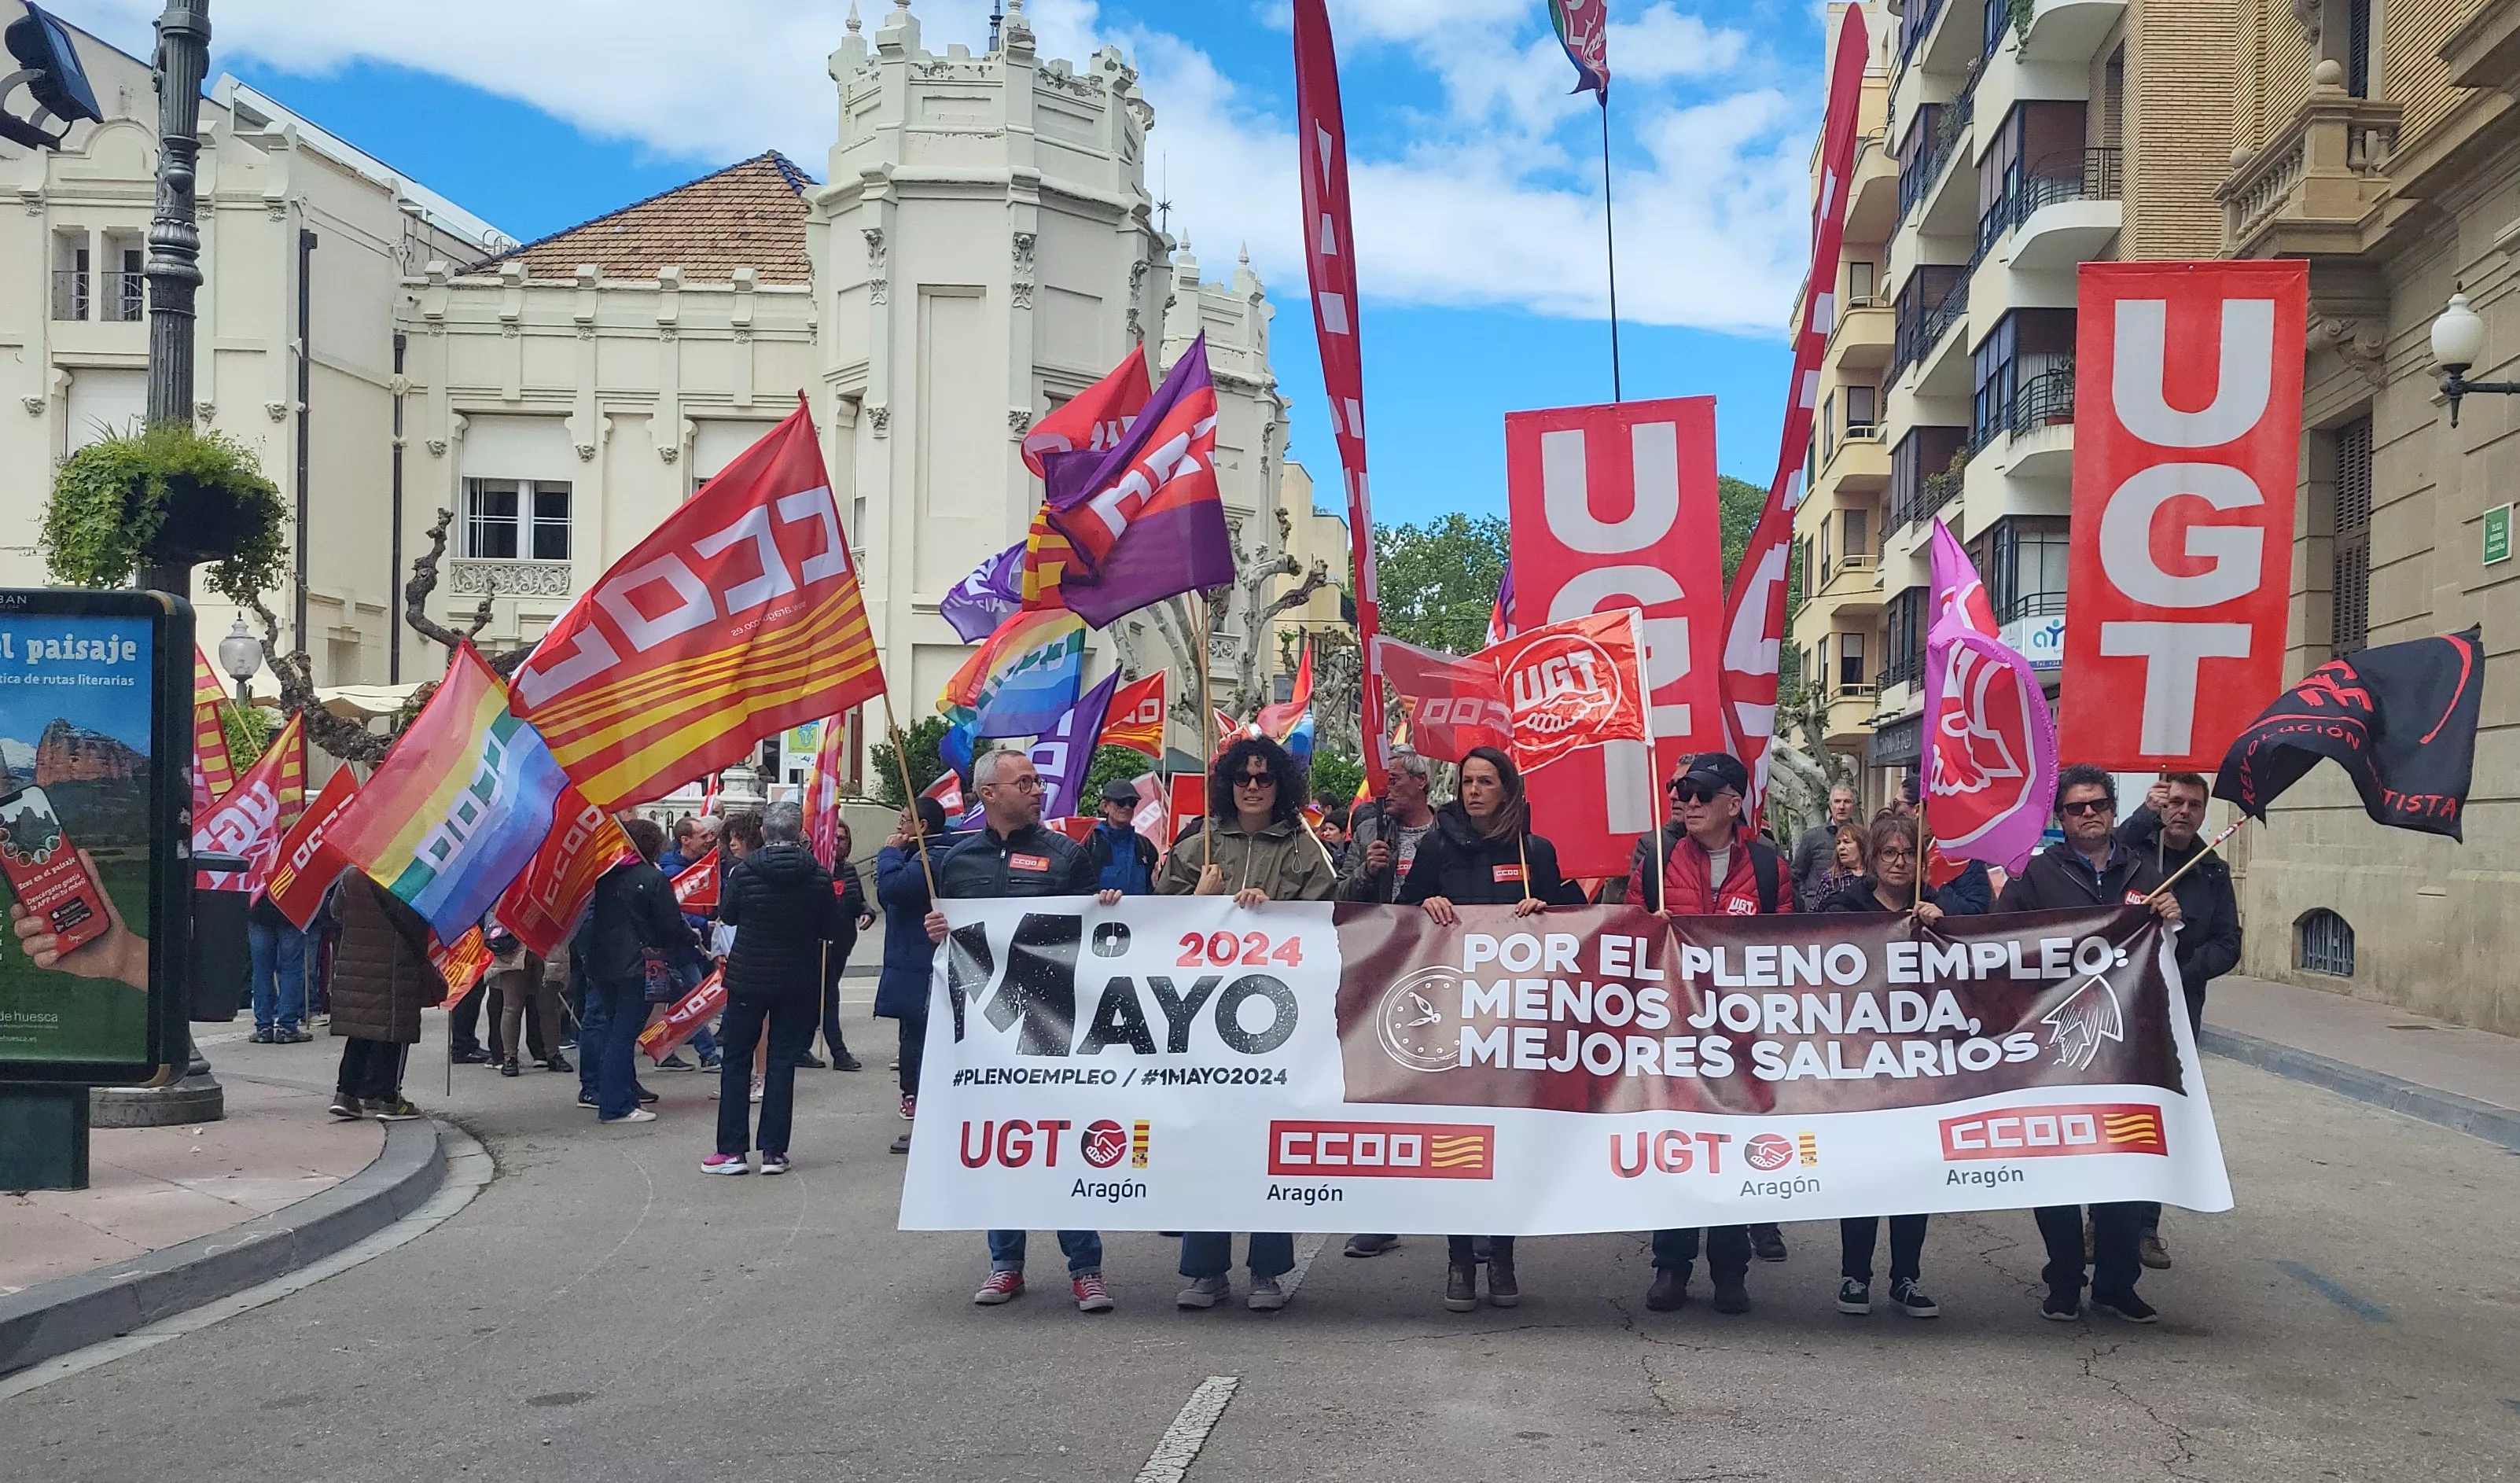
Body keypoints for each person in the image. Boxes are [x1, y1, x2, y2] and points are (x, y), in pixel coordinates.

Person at [924, 747, 1123, 1313]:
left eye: (1038, 781)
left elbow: (1100, 937)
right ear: (988, 794)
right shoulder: (957, 862)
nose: (1038, 790)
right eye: (1025, 782)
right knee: (1002, 1145)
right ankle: (1004, 1263)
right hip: (985, 1030)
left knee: (1061, 1143)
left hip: (1054, 1023)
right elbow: (949, 943)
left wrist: (1107, 908)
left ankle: (1086, 1269)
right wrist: (936, 930)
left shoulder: (1067, 856)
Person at [1157, 737, 1338, 1313]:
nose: (1253, 787)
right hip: (1204, 1019)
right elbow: (1157, 923)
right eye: (1243, 778)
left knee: (1270, 1144)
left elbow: (1326, 919)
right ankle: (1204, 1270)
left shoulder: (1306, 849)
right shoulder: (1197, 844)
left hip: (1277, 1022)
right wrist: (1204, 900)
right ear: (1228, 784)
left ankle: (1267, 1270)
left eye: (1264, 778)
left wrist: (1278, 910)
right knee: (1206, 1141)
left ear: (1281, 786)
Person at [1996, 764, 2183, 1323]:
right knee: (2056, 1167)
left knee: (2122, 1168)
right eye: (2076, 808)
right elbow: (1995, 943)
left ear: (2111, 808)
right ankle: (2062, 1279)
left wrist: (2175, 922)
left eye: (2098, 805)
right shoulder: (2036, 877)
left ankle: (2115, 1283)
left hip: (2126, 1050)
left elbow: (2179, 961)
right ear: (2061, 818)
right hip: (2054, 1047)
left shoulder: (2145, 874)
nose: (2089, 815)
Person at [1397, 745, 1581, 1312]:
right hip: (1454, 1013)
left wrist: (1544, 906)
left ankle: (1500, 1254)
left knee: (1508, 1143)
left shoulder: (1535, 850)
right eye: (1466, 781)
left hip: (1517, 1016)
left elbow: (1577, 914)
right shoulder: (1437, 843)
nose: (1473, 791)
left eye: (1485, 782)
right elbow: (1400, 913)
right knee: (1460, 1143)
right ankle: (1459, 1259)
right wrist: (1424, 901)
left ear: (1507, 789)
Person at [1628, 751, 1792, 1314]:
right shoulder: (1656, 862)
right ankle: (1670, 1266)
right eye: (1681, 792)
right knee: (1676, 1148)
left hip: (1741, 1035)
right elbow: (1625, 937)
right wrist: (1650, 930)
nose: (1687, 802)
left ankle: (1729, 1270)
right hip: (1672, 1031)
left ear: (1733, 802)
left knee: (1731, 1150)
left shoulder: (1770, 867)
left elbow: (1791, 946)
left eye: (1701, 794)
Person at [1817, 814, 1977, 1320]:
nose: (1899, 862)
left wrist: (1940, 921)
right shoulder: (1849, 905)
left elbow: (1979, 958)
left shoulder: (1935, 907)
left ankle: (1906, 1277)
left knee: (1913, 1170)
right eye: (1888, 853)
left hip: (1920, 1058)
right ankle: (1854, 1274)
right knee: (1863, 1169)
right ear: (1870, 858)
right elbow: (1812, 946)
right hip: (1860, 1058)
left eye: (1908, 853)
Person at [2113, 771, 2239, 1270]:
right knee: (2116, 1113)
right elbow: (2104, 855)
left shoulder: (2213, 872)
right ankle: (2100, 1223)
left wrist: (2179, 971)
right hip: (2120, 1007)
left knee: (2158, 1118)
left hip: (2179, 1012)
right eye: (2175, 802)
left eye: (2194, 804)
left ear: (2204, 812)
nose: (2183, 811)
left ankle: (2146, 1227)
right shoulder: (2132, 856)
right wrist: (2144, 812)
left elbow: (2229, 943)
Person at [704, 803, 850, 1175]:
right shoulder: (817, 876)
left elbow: (730, 915)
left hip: (749, 977)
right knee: (782, 1062)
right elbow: (832, 928)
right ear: (799, 834)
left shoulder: (744, 872)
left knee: (736, 1060)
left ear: (766, 834)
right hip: (797, 979)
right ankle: (774, 1152)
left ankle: (732, 1151)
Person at [1333, 748, 1437, 1260]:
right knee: (1377, 1095)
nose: (1386, 787)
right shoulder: (1369, 829)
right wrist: (1363, 872)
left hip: (1437, 973)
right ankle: (1379, 1215)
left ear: (1420, 783)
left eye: (1394, 779)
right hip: (1375, 973)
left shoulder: (1449, 831)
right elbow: (1338, 897)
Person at [574, 818, 708, 1125]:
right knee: (625, 1035)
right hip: (639, 965)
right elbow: (670, 924)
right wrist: (693, 938)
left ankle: (620, 1094)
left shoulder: (605, 876)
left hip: (602, 962)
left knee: (613, 1031)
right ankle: (616, 1105)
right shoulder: (652, 878)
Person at [325, 870, 443, 1121]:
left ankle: (345, 1095)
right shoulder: (408, 876)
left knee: (360, 1031)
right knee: (394, 1033)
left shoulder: (350, 876)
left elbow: (336, 913)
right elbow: (421, 921)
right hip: (395, 965)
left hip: (356, 965)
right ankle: (389, 1099)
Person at [876, 797, 954, 1155]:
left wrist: (889, 855)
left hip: (920, 963)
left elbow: (893, 890)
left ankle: (924, 1110)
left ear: (922, 827)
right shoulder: (922, 855)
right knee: (911, 1038)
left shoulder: (932, 858)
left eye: (905, 821)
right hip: (909, 961)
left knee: (922, 1043)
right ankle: (914, 1097)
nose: (899, 828)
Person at [652, 817, 723, 1073]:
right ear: (685, 840)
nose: (709, 840)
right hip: (682, 947)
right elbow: (675, 910)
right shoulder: (672, 872)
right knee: (696, 1001)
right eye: (703, 836)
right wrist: (704, 924)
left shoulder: (705, 866)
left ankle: (665, 1052)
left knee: (676, 1002)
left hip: (697, 943)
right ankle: (709, 1055)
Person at [813, 819, 873, 1073]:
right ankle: (839, 1052)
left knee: (819, 997)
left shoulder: (848, 870)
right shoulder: (815, 870)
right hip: (817, 945)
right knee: (829, 996)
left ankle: (799, 1048)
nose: (838, 843)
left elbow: (858, 901)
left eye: (843, 838)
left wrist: (868, 913)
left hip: (842, 944)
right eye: (834, 838)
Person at [246, 891, 311, 1043]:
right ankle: (287, 1026)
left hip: (259, 909)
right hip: (292, 909)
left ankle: (263, 1027)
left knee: (261, 971)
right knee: (291, 969)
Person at [1084, 778, 1159, 896]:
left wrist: (1157, 883)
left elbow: (1153, 890)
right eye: (1121, 802)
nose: (1127, 807)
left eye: (1132, 802)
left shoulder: (1145, 845)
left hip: (1139, 913)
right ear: (1105, 806)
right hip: (1100, 913)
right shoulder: (1090, 841)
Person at [1790, 785, 1859, 911]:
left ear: (1853, 806)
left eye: (1847, 802)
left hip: (1851, 911)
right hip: (1815, 912)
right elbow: (1796, 875)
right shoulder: (1812, 837)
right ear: (1831, 806)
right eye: (1837, 801)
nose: (1842, 806)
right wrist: (1804, 901)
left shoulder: (1863, 837)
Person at [1806, 822, 1868, 911]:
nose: (1841, 847)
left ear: (1862, 846)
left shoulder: (1875, 877)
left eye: (1846, 842)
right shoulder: (1830, 879)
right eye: (1838, 843)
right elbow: (1815, 913)